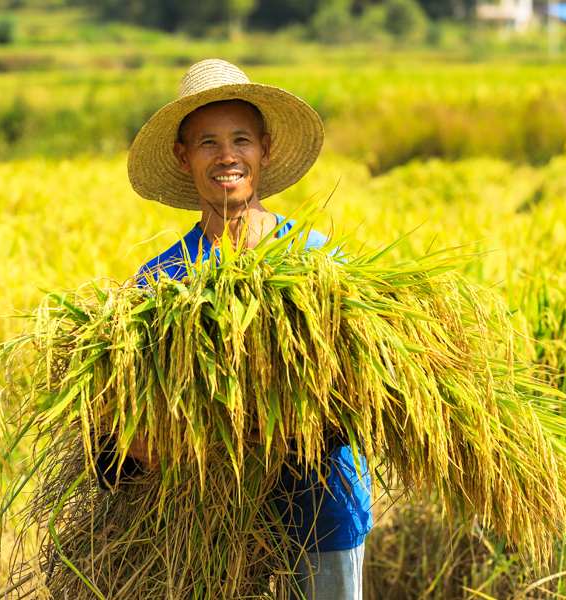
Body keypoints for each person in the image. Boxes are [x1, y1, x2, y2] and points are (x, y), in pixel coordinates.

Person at [97, 59, 373, 600]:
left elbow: (364, 400)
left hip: (319, 521)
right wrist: (153, 445)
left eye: (241, 139)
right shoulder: (159, 283)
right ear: (183, 156)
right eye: (208, 142)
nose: (227, 156)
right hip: (203, 536)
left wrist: (277, 433)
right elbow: (111, 433)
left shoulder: (317, 265)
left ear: (264, 149)